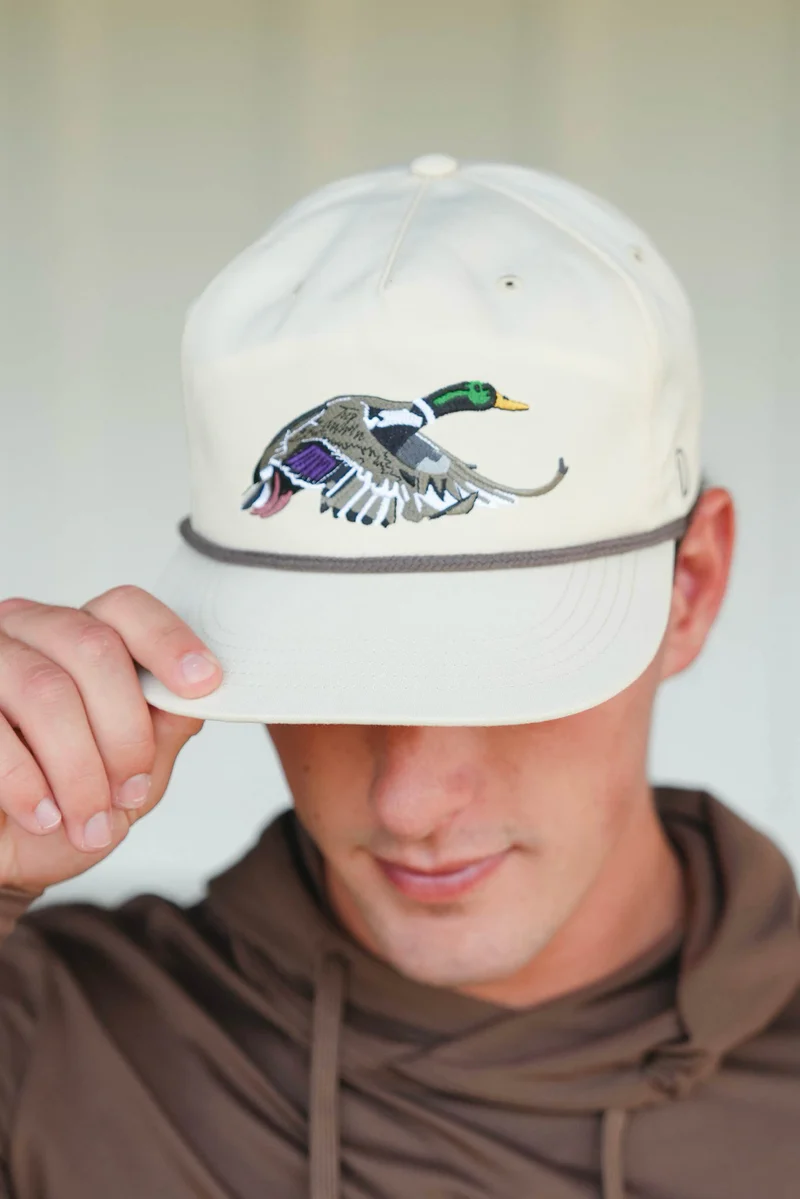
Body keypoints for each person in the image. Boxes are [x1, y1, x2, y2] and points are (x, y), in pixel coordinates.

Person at [0, 154, 797, 1199]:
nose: (409, 802)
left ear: (686, 589)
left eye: (508, 676)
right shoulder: (50, 1052)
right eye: (328, 673)